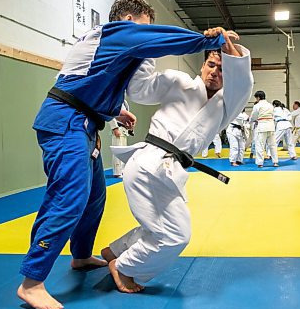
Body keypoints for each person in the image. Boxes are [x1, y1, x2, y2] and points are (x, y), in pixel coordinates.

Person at [17, 0, 227, 309]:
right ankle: (31, 282)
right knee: (69, 198)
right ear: (128, 19)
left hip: (85, 124)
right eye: (143, 27)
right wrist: (208, 40)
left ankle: (81, 256)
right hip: (65, 122)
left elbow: (92, 82)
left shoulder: (108, 47)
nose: (144, 33)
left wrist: (115, 112)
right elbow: (153, 41)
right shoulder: (115, 32)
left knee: (94, 198)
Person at [100, 28, 253, 292]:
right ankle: (125, 267)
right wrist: (146, 45)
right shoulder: (178, 81)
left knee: (162, 227)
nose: (215, 72)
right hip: (148, 163)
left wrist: (225, 43)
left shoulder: (227, 104)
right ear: (203, 64)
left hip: (170, 171)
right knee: (176, 235)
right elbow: (138, 89)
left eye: (222, 68)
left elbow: (242, 81)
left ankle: (115, 251)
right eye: (211, 64)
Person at [250, 91, 279, 167]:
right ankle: (275, 162)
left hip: (262, 126)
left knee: (260, 145)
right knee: (272, 145)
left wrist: (251, 120)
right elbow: (273, 115)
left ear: (258, 97)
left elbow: (254, 116)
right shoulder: (270, 105)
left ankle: (260, 163)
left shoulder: (257, 105)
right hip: (271, 126)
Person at [109, 100, 136, 177]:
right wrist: (114, 128)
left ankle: (122, 170)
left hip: (124, 128)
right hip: (118, 127)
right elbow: (110, 116)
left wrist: (130, 128)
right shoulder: (114, 100)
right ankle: (117, 172)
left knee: (123, 151)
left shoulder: (124, 102)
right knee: (118, 150)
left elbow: (127, 116)